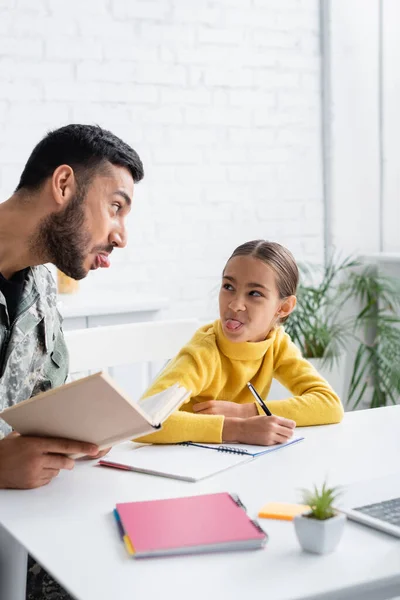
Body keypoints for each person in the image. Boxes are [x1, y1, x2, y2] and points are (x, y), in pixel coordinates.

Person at [0, 124, 143, 599]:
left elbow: (42, 399)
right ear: (63, 185)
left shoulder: (41, 286)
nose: (120, 236)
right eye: (115, 207)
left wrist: (84, 432)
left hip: (28, 530)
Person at [136, 240, 344, 446]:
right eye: (228, 287)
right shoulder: (203, 353)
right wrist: (237, 428)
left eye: (254, 293)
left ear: (284, 307)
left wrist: (246, 412)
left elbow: (329, 404)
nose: (235, 305)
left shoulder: (276, 344)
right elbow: (141, 421)